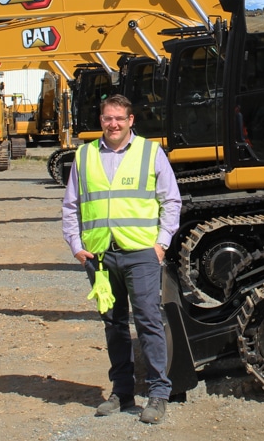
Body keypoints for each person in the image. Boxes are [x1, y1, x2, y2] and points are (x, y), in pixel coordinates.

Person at [62, 94, 181, 425]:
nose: (113, 124)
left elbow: (171, 200)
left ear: (131, 121)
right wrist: (75, 244)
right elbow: (71, 204)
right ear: (101, 120)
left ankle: (158, 393)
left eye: (119, 118)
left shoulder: (150, 152)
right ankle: (122, 392)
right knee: (114, 325)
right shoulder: (84, 155)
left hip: (141, 253)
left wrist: (161, 244)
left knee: (147, 321)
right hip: (99, 256)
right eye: (107, 118)